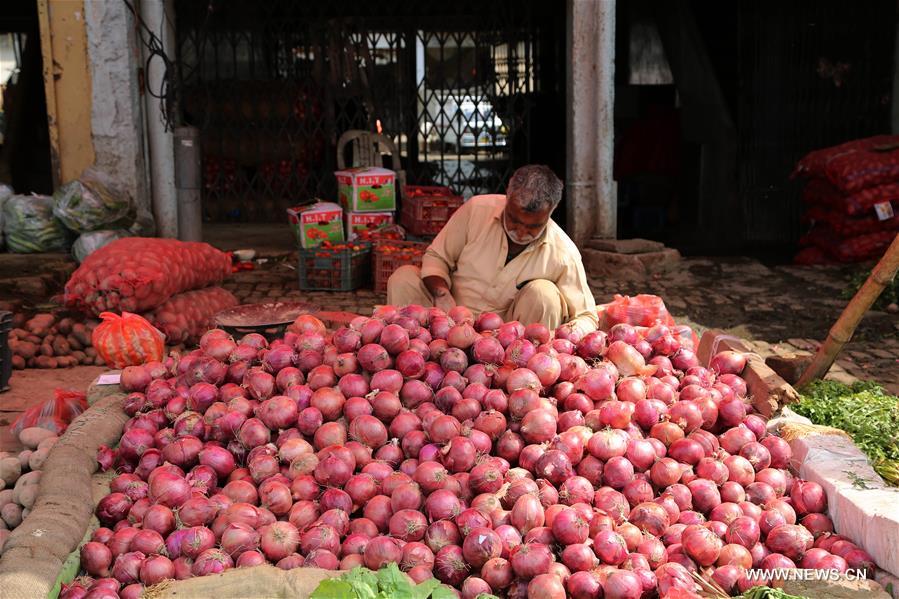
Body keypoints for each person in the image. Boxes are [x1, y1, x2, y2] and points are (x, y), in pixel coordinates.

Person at [387, 164, 598, 334]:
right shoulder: (476, 210)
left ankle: (523, 374)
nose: (521, 232)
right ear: (507, 195)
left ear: (551, 212)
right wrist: (441, 294)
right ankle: (410, 351)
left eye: (533, 226)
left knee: (545, 294)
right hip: (447, 319)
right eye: (514, 220)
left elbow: (587, 316)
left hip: (508, 340)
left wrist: (569, 334)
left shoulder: (563, 252)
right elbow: (436, 257)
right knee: (403, 277)